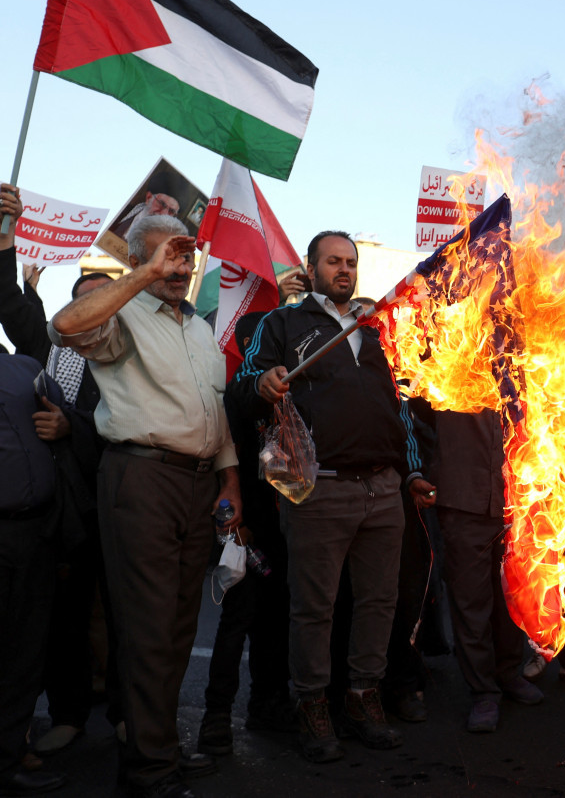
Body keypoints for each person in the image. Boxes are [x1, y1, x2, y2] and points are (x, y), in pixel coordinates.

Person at [48, 216, 240, 798]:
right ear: (139, 261)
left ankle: (154, 746)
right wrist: (141, 277)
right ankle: (149, 770)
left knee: (179, 628)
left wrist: (231, 482)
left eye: (185, 258)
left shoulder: (201, 331)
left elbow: (217, 414)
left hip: (199, 486)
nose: (179, 269)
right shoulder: (121, 313)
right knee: (149, 627)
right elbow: (64, 325)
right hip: (141, 479)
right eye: (166, 258)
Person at [231, 231, 425, 763]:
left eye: (351, 263)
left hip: (383, 487)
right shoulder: (283, 324)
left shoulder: (373, 330)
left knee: (380, 603)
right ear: (311, 268)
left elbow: (399, 407)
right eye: (333, 262)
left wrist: (411, 473)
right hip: (320, 488)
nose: (344, 270)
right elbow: (245, 385)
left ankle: (364, 697)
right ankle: (312, 704)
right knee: (314, 609)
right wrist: (264, 382)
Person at [0, 184, 118, 756]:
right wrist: (6, 227)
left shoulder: (136, 356)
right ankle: (66, 713)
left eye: (105, 300)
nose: (92, 311)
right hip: (60, 513)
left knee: (126, 618)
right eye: (83, 300)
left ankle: (129, 717)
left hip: (120, 501)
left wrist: (74, 428)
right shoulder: (48, 346)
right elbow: (2, 292)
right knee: (61, 618)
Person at [196, 311, 294, 758]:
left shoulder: (290, 393)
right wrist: (235, 522)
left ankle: (267, 704)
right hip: (243, 529)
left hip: (283, 529)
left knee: (276, 622)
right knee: (237, 622)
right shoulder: (232, 394)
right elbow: (225, 459)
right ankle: (217, 715)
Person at [0, 345, 66, 796]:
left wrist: (66, 424)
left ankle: (5, 759)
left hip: (35, 533)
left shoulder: (23, 368)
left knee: (23, 653)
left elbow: (65, 413)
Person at [431, 409, 543, 733]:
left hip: (517, 499)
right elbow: (417, 416)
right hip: (463, 499)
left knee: (512, 595)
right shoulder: (451, 359)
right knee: (471, 602)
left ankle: (509, 673)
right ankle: (483, 691)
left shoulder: (523, 360)